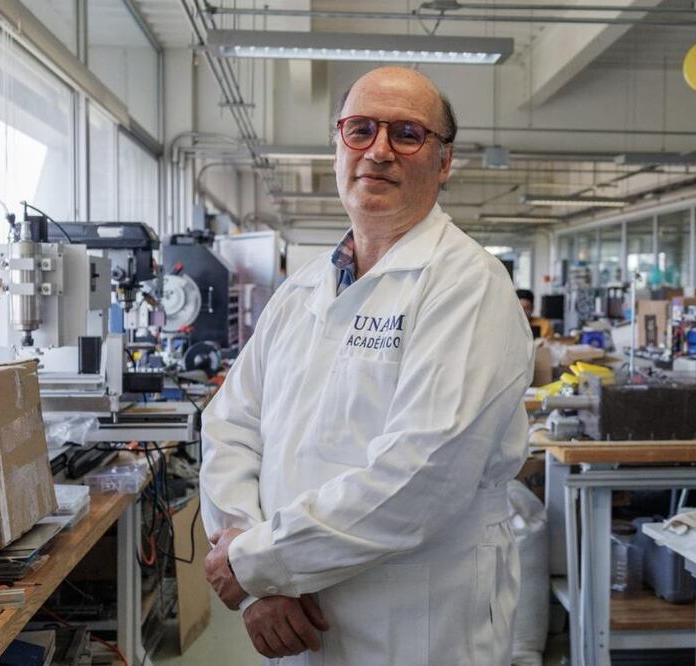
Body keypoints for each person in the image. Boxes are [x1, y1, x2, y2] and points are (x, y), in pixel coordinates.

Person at [199, 66, 534, 665]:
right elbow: (230, 426)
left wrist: (258, 562)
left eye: (407, 133)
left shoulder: (469, 286)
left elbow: (421, 478)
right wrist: (256, 573)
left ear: (444, 160)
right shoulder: (302, 290)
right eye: (360, 130)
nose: (379, 150)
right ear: (338, 146)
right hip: (294, 620)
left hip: (417, 626)